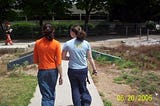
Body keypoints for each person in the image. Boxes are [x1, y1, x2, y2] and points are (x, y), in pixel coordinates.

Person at [62, 25, 97, 106]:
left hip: (72, 70)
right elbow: (90, 58)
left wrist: (70, 58)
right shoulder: (86, 43)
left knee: (75, 89)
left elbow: (62, 57)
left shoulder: (68, 44)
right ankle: (86, 103)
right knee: (83, 87)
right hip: (83, 70)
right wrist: (94, 69)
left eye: (70, 31)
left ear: (73, 33)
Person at [33, 23, 63, 106]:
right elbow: (59, 62)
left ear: (43, 31)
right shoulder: (56, 43)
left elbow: (36, 60)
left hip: (42, 71)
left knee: (46, 94)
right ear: (53, 31)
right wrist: (61, 75)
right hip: (53, 71)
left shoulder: (38, 43)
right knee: (51, 92)